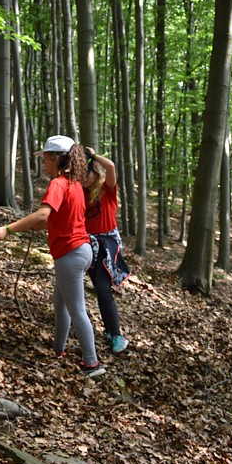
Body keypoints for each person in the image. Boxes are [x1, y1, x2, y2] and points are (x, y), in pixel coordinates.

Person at [0, 135, 104, 378]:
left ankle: (92, 363)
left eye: (45, 159)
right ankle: (58, 349)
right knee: (61, 302)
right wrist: (28, 226)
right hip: (81, 250)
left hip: (70, 254)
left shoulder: (59, 184)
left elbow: (42, 216)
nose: (43, 164)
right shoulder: (75, 185)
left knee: (77, 308)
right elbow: (52, 221)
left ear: (55, 158)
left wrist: (6, 229)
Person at [82, 147, 131, 354]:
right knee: (95, 287)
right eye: (81, 174)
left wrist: (92, 155)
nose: (84, 178)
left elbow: (110, 166)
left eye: (88, 173)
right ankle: (108, 332)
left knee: (102, 289)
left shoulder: (107, 189)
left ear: (95, 172)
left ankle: (116, 334)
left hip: (106, 244)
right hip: (86, 243)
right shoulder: (79, 191)